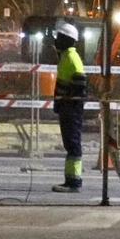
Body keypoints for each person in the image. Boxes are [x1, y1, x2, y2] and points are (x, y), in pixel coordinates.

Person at [51, 21, 88, 192]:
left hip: (71, 108)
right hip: (68, 107)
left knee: (73, 143)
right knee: (70, 143)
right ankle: (70, 179)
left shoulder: (71, 58)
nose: (56, 41)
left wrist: (66, 100)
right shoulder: (66, 57)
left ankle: (74, 181)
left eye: (59, 37)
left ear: (67, 39)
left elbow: (80, 83)